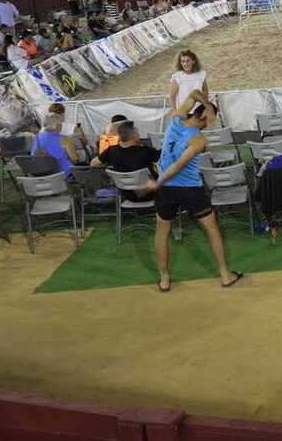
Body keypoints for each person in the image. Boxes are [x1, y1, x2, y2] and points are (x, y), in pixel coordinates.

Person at [141, 90, 243, 292]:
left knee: (162, 232)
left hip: (166, 191)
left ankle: (164, 279)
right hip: (189, 189)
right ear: (205, 118)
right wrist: (158, 182)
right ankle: (225, 274)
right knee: (212, 230)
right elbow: (178, 165)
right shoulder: (199, 140)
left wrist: (158, 183)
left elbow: (194, 94)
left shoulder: (176, 119)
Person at [91, 121, 161, 201]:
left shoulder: (111, 151)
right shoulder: (146, 151)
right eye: (138, 133)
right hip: (150, 193)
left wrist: (109, 167)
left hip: (127, 195)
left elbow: (93, 163)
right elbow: (165, 159)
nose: (139, 136)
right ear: (133, 135)